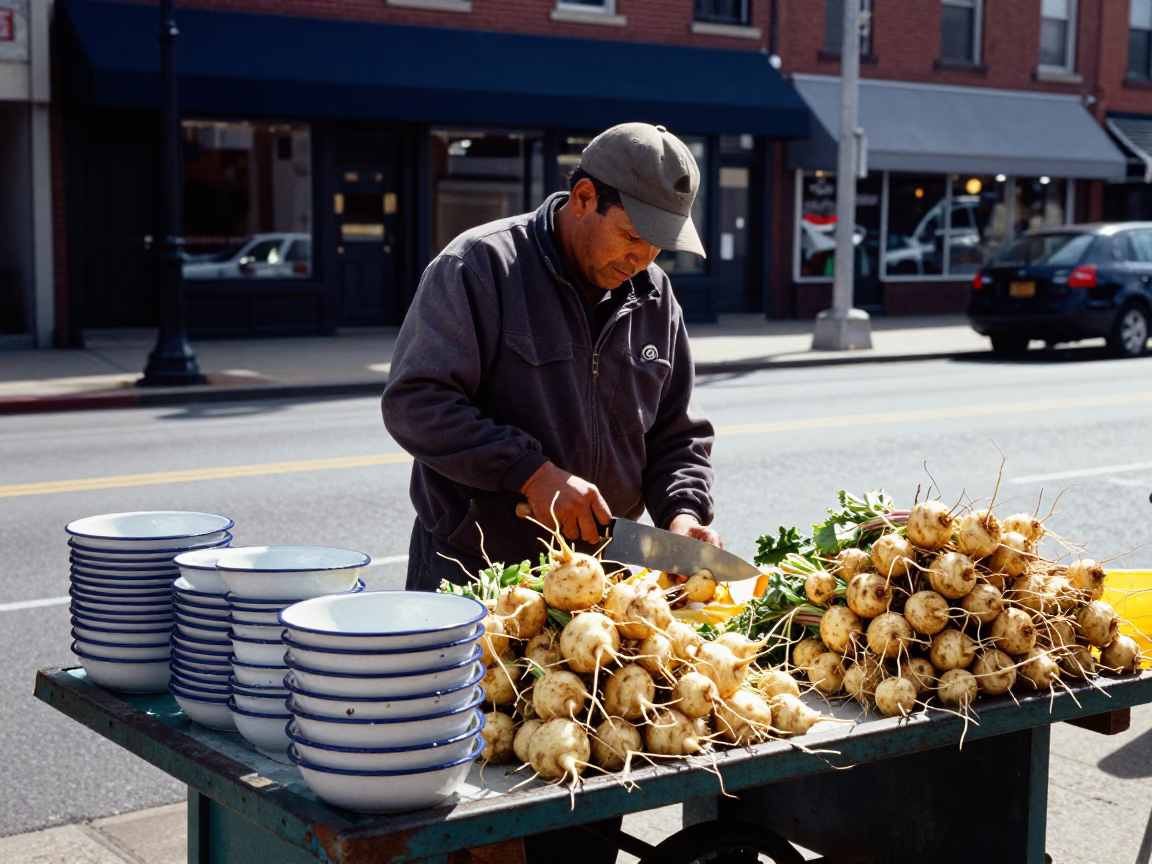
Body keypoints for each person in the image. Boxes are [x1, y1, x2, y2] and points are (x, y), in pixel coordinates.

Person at [381, 122, 719, 863]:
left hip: (593, 609)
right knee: (478, 822)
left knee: (581, 810)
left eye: (658, 246)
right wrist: (529, 471)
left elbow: (676, 436)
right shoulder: (479, 267)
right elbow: (415, 401)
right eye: (632, 237)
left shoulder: (654, 297)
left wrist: (685, 513)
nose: (643, 259)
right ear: (584, 197)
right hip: (475, 591)